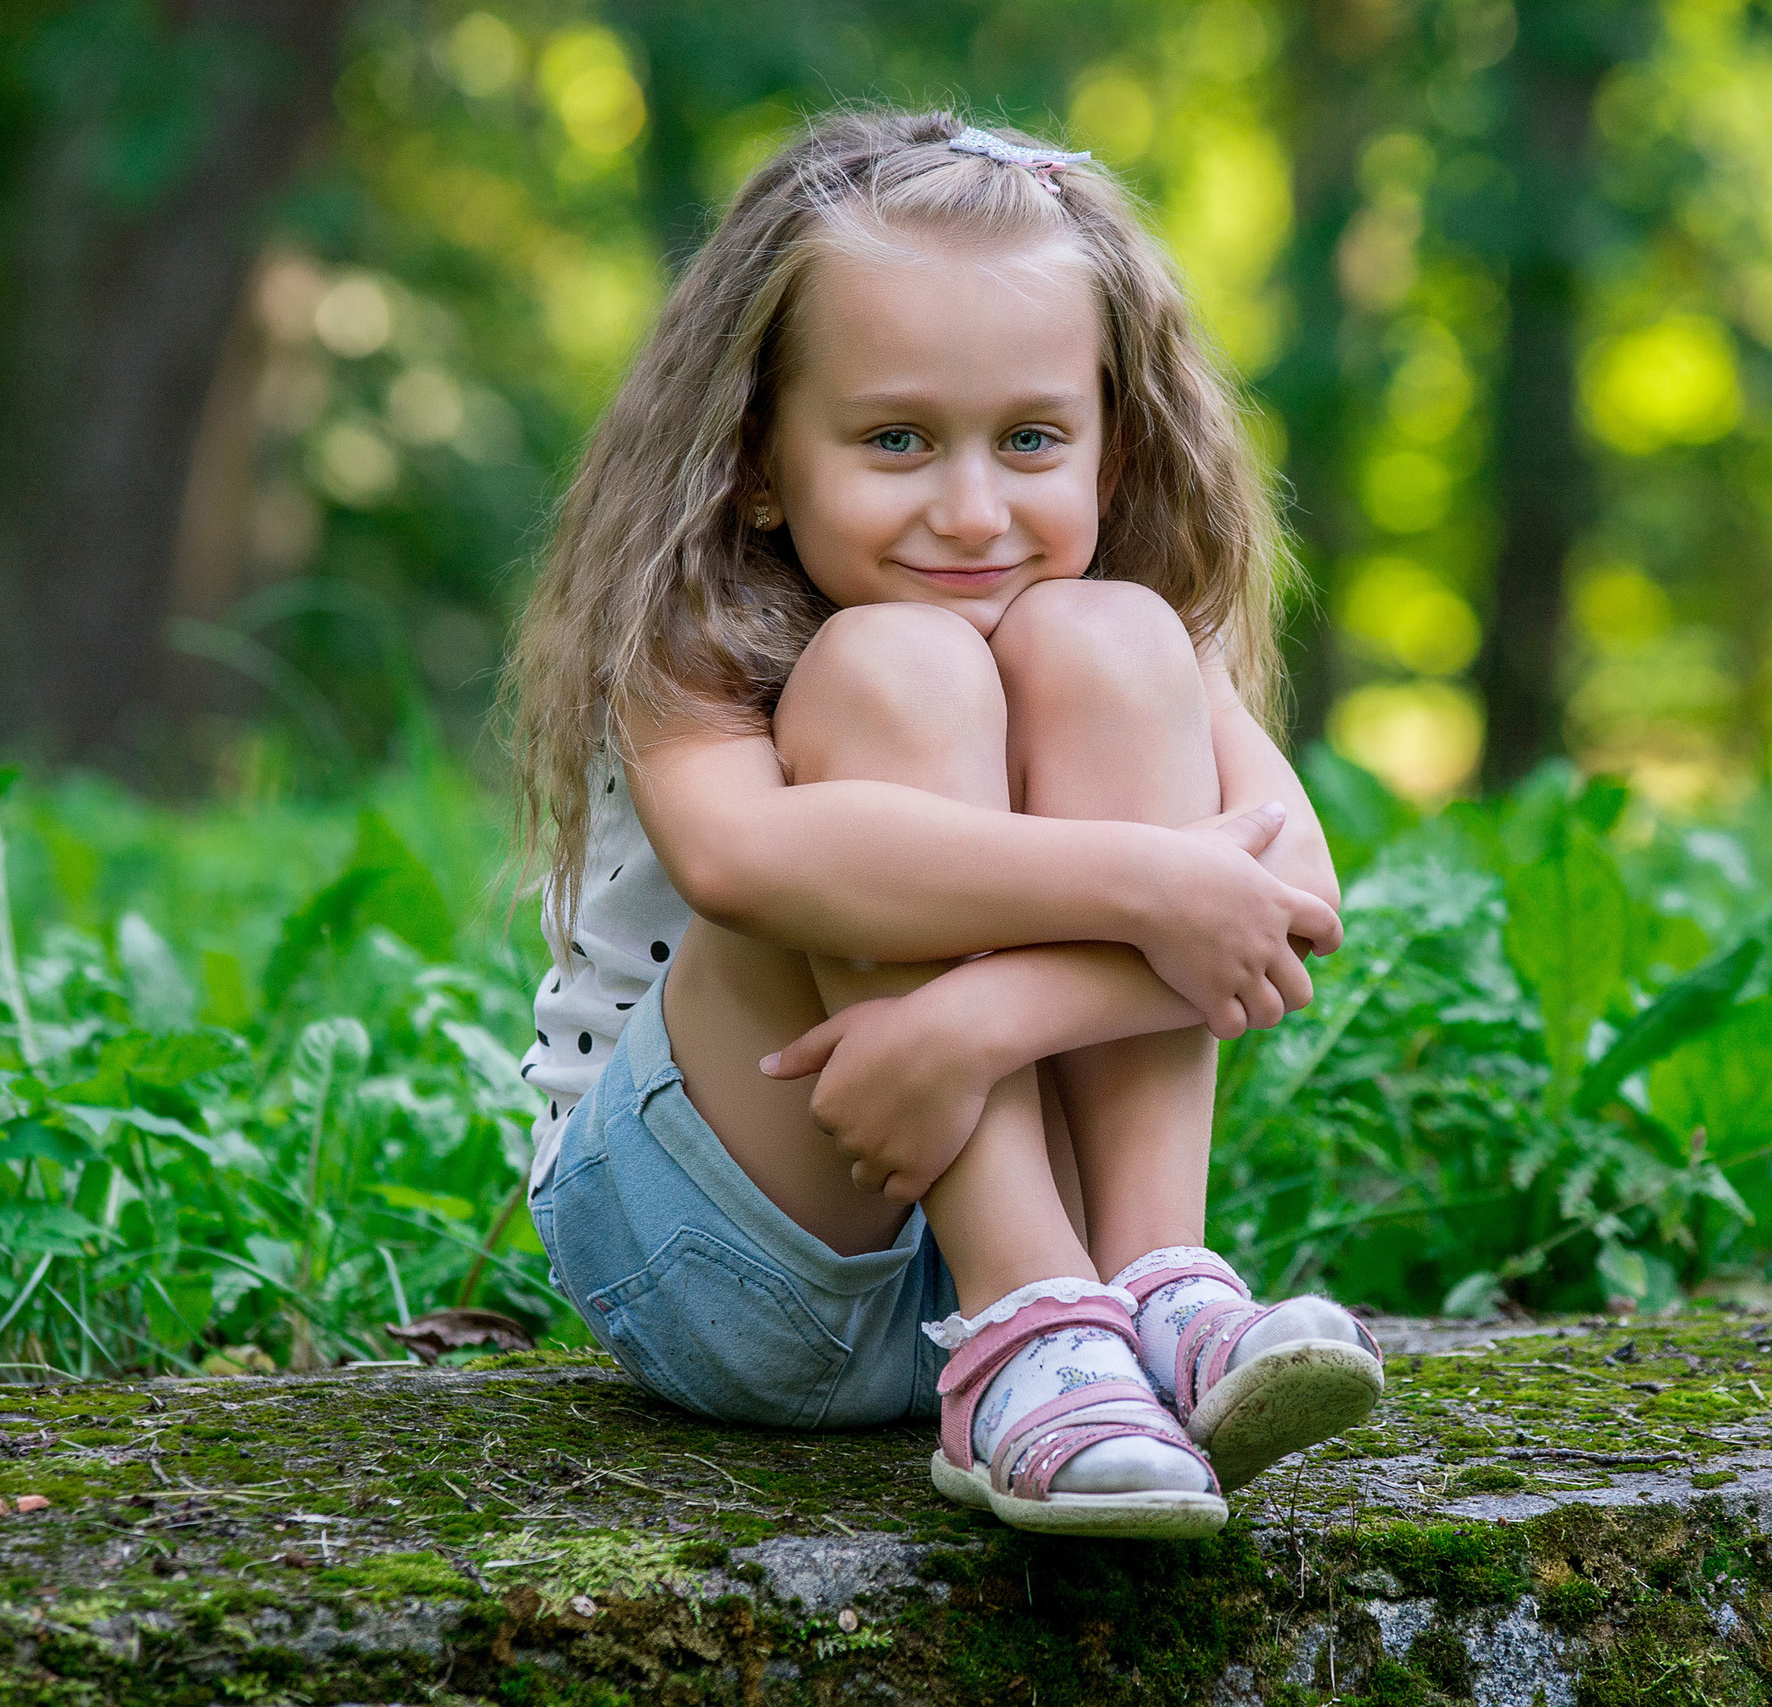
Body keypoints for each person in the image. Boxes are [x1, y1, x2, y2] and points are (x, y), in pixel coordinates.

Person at [502, 108, 1383, 1539]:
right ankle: (1027, 1319)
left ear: (1112, 443)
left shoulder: (1130, 622)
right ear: (758, 458)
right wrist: (1143, 881)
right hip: (724, 1240)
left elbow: (1287, 903)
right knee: (894, 665)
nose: (972, 510)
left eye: (1032, 439)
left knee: (1111, 638)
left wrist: (977, 1026)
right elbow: (743, 863)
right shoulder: (692, 618)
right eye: (897, 439)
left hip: (1030, 1254)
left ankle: (1155, 1287)